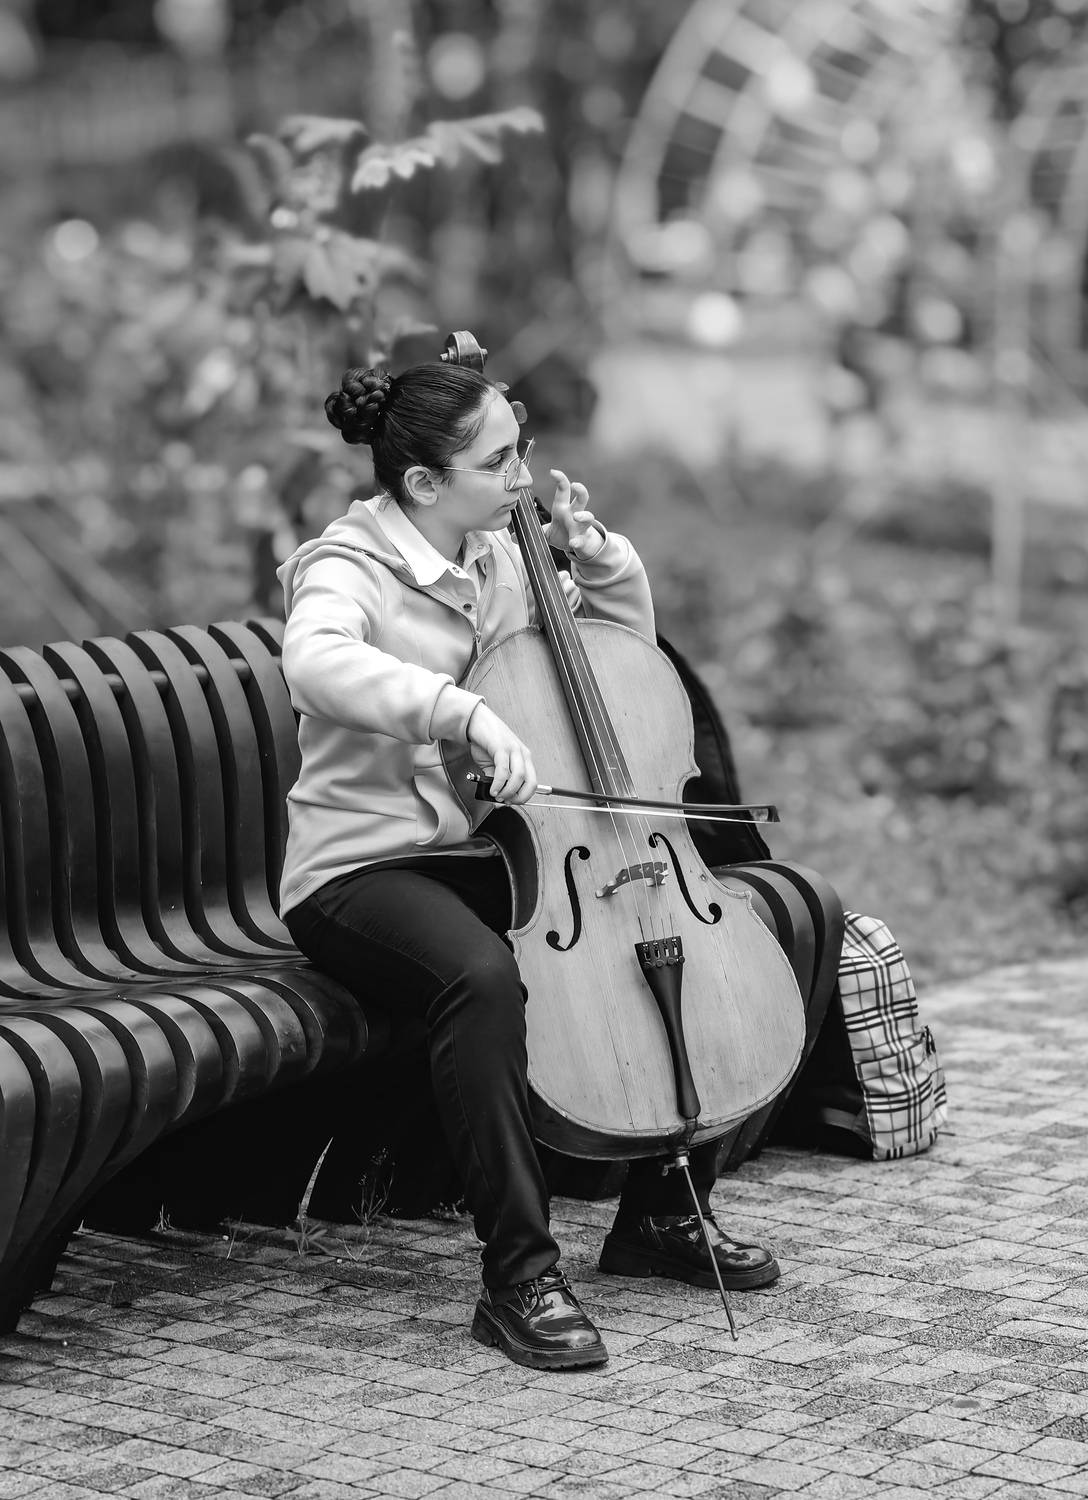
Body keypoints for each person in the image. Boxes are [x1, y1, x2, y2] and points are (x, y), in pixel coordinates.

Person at [278, 359, 842, 1371]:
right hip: (361, 870)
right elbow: (314, 661)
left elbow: (612, 675)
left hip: (493, 850)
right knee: (481, 978)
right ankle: (518, 1277)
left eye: (521, 451)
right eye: (500, 461)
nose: (523, 478)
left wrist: (603, 564)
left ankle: (661, 1213)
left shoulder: (500, 556)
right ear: (424, 484)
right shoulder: (348, 565)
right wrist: (457, 709)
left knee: (668, 926)